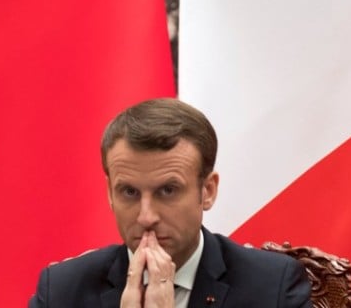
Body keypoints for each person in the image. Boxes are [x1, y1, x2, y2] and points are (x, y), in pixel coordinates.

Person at [28, 97, 313, 307]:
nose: (146, 216)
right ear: (109, 193)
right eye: (129, 192)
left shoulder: (272, 287)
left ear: (208, 191)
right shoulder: (62, 291)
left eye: (167, 191)